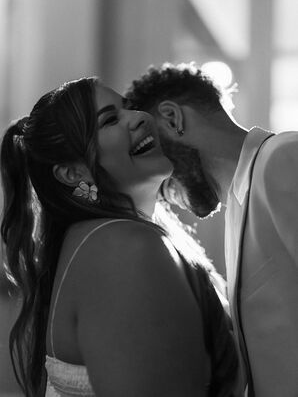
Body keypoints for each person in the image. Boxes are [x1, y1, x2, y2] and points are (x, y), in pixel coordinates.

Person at [0, 76, 240, 397]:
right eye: (111, 119)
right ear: (74, 173)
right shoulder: (122, 247)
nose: (140, 117)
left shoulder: (114, 237)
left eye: (128, 108)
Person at [125, 62, 298, 397]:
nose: (164, 194)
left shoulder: (282, 158)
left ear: (172, 119)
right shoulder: (240, 203)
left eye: (148, 146)